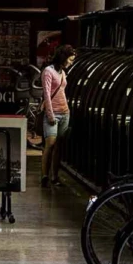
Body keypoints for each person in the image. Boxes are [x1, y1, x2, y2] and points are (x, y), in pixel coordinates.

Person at [40, 45, 76, 188]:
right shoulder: (48, 71)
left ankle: (55, 176)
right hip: (53, 113)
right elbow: (47, 94)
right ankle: (44, 176)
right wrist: (50, 114)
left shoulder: (62, 72)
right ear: (63, 57)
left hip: (64, 111)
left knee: (59, 146)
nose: (71, 63)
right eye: (70, 59)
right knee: (50, 144)